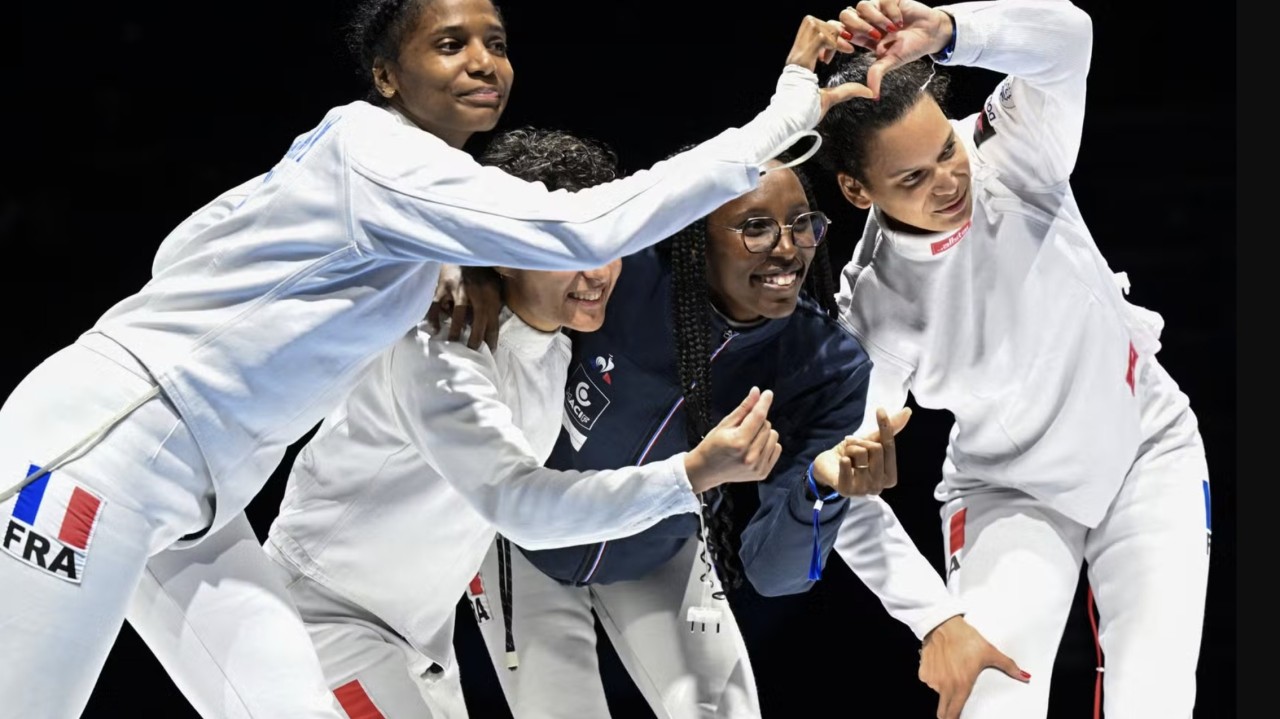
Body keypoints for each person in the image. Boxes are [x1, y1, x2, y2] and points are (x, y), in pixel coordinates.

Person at [0, 0, 876, 715]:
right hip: (100, 452)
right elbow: (580, 225)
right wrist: (782, 117)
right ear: (387, 74)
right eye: (448, 44)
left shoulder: (414, 212)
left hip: (201, 502)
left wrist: (440, 269)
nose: (481, 63)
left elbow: (185, 248)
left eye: (495, 43)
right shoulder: (373, 150)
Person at [264, 125, 786, 719]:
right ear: (509, 253)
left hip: (421, 636)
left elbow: (662, 203)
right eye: (568, 255)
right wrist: (689, 474)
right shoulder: (442, 344)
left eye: (605, 248)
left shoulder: (556, 340)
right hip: (327, 621)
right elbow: (520, 508)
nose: (596, 276)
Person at [464, 151, 974, 719]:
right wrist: (459, 275)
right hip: (524, 539)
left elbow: (774, 575)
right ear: (694, 234)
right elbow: (514, 242)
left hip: (659, 549)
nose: (787, 248)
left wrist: (819, 492)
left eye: (803, 223)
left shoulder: (826, 365)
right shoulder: (619, 272)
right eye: (756, 227)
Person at [815, 1, 1212, 717]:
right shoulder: (874, 307)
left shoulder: (1011, 150)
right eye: (911, 178)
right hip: (1011, 492)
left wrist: (948, 31)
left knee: (1154, 698)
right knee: (993, 702)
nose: (947, 179)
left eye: (945, 149)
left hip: (1147, 446)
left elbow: (1071, 36)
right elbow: (842, 486)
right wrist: (933, 617)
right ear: (856, 190)